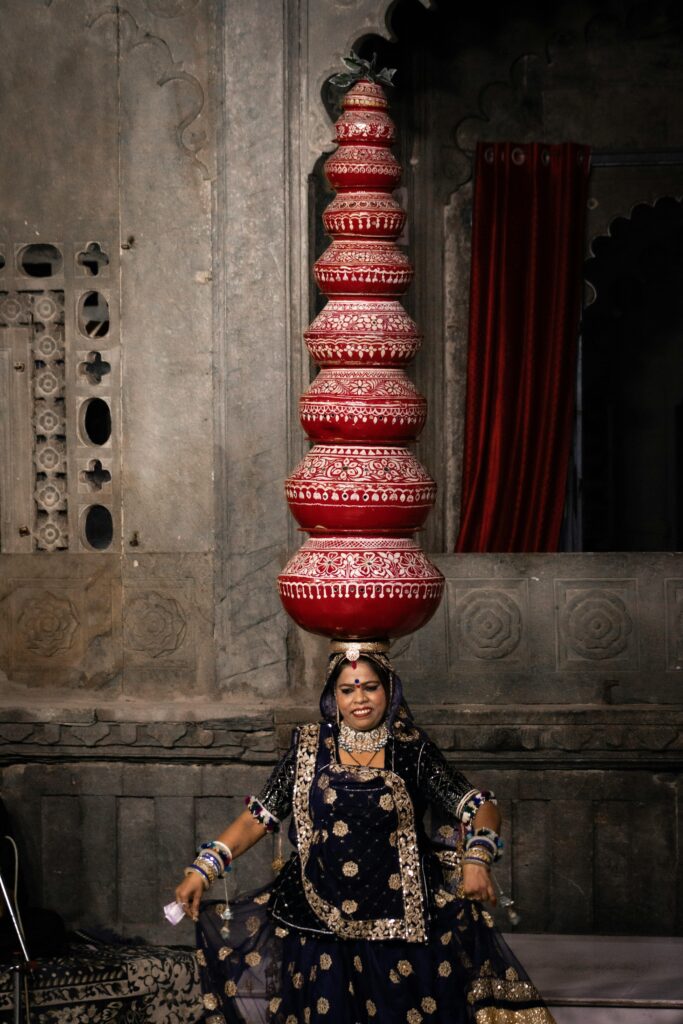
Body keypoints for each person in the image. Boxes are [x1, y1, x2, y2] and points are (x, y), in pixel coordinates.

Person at [175, 642, 556, 1023]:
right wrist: (204, 868)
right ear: (333, 696)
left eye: (370, 687)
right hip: (320, 924)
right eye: (347, 690)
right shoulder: (308, 749)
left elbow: (480, 806)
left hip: (400, 926)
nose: (360, 699)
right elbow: (258, 817)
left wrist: (477, 857)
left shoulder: (412, 751)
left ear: (389, 689)